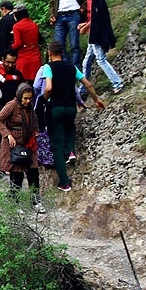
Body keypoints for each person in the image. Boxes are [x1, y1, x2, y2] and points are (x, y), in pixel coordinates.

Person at [40, 42, 105, 192]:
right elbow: (87, 83)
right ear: (62, 53)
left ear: (50, 53)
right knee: (70, 128)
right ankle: (70, 151)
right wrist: (96, 99)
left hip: (55, 107)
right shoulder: (71, 67)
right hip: (71, 107)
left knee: (56, 144)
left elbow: (48, 87)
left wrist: (44, 99)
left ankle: (64, 182)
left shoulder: (49, 67)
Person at [0, 84, 43, 212]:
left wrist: (35, 131)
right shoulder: (11, 105)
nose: (28, 101)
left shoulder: (29, 107)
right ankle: (15, 204)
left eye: (30, 98)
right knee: (16, 175)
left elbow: (34, 119)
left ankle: (36, 202)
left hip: (28, 143)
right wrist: (8, 135)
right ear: (19, 95)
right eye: (25, 98)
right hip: (14, 144)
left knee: (33, 172)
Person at [76, 0, 124, 94]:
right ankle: (83, 89)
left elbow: (97, 19)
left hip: (96, 35)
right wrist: (84, 25)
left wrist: (85, 27)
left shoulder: (95, 0)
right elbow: (92, 18)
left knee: (100, 59)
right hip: (93, 35)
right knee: (86, 62)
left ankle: (117, 82)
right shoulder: (91, 0)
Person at [0, 49, 25, 177]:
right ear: (3, 59)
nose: (10, 65)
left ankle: (15, 167)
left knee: (13, 141)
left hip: (12, 115)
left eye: (13, 62)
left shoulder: (18, 75)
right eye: (7, 62)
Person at [48, 0, 84, 68]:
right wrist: (52, 15)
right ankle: (65, 68)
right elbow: (53, 1)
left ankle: (76, 71)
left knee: (74, 45)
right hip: (60, 15)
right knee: (59, 46)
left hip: (74, 13)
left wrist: (83, 7)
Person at [11, 5, 43, 84]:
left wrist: (10, 47)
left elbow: (18, 43)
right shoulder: (34, 25)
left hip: (23, 58)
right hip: (36, 56)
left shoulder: (17, 26)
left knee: (21, 82)